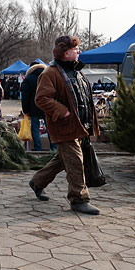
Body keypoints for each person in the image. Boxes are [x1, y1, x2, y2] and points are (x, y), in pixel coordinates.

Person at [29, 35, 100, 215]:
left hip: (79, 125)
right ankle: (79, 199)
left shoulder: (76, 71)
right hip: (63, 126)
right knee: (76, 161)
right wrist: (63, 111)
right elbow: (42, 99)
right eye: (76, 50)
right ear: (66, 53)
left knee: (63, 160)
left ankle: (37, 182)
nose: (79, 52)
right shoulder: (50, 73)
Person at [21, 62, 55, 151]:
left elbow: (25, 96)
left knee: (35, 129)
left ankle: (38, 148)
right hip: (47, 106)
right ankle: (54, 148)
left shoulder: (28, 79)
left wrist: (25, 109)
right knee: (50, 128)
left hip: (34, 107)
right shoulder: (48, 76)